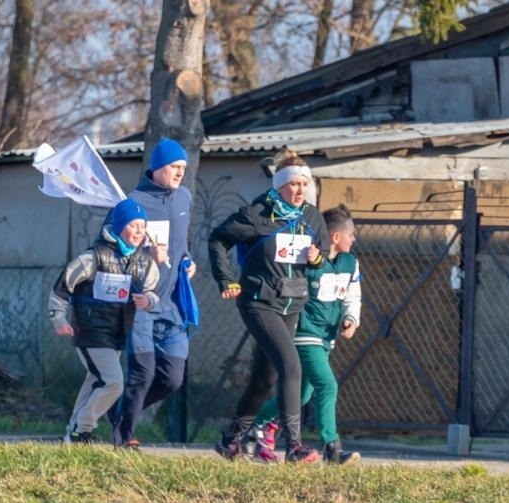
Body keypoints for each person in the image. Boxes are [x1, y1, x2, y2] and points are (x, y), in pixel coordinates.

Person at [207, 151, 330, 464]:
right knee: (292, 367)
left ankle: (229, 441)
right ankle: (294, 447)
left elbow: (323, 253)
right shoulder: (257, 214)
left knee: (263, 380)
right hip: (258, 302)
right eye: (293, 184)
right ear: (279, 187)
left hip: (292, 302)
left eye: (305, 183)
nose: (301, 189)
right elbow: (218, 239)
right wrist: (226, 279)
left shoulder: (312, 217)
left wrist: (317, 257)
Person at [252, 204, 363, 465]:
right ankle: (332, 448)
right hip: (304, 334)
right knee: (328, 385)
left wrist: (350, 318)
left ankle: (256, 423)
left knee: (300, 396)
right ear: (335, 237)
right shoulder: (307, 259)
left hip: (326, 337)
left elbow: (352, 296)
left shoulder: (350, 263)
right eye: (351, 234)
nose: (354, 239)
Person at [48, 199, 161, 444]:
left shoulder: (144, 261)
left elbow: (153, 291)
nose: (140, 231)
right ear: (119, 226)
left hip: (117, 334)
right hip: (91, 332)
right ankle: (82, 429)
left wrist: (148, 300)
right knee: (113, 383)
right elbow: (62, 286)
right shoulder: (94, 257)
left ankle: (72, 434)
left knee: (95, 380)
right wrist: (58, 318)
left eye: (143, 226)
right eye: (133, 225)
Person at [110, 138, 195, 448]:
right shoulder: (133, 201)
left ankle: (120, 413)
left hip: (173, 304)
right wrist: (146, 257)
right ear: (158, 168)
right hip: (141, 302)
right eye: (174, 167)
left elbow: (182, 243)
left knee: (172, 379)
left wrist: (188, 260)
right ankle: (124, 437)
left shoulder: (184, 198)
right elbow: (113, 252)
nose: (180, 173)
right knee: (141, 373)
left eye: (183, 168)